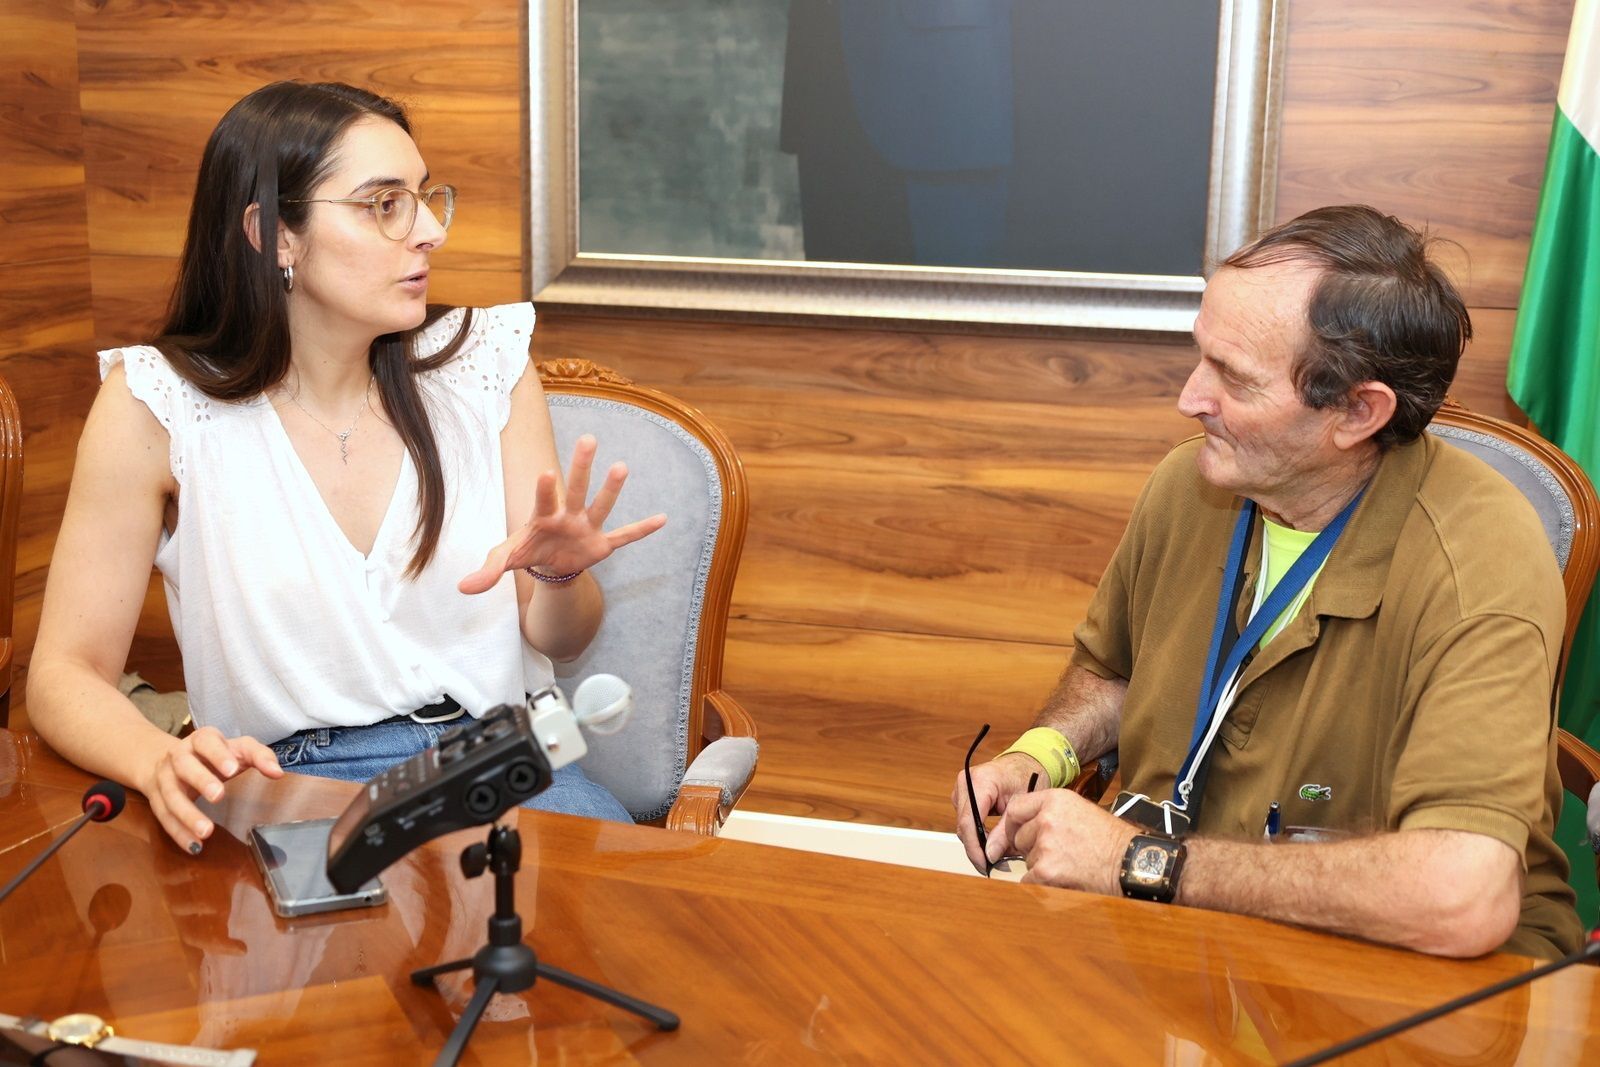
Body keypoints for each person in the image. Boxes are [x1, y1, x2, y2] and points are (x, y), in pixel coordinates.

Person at [26, 81, 666, 854]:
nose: (428, 230)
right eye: (384, 203)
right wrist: (157, 757)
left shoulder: (483, 367)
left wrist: (561, 577)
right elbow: (64, 672)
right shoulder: (156, 407)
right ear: (276, 235)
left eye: (427, 198)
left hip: (503, 764)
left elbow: (561, 641)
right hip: (292, 789)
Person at [954, 205, 1583, 960]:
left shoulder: (1482, 554)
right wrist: (1040, 755)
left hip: (1401, 975)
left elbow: (1460, 899)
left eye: (1234, 377)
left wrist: (1137, 861)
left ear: (1357, 410)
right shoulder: (1188, 486)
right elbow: (1116, 673)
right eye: (1201, 356)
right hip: (1173, 942)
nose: (1190, 397)